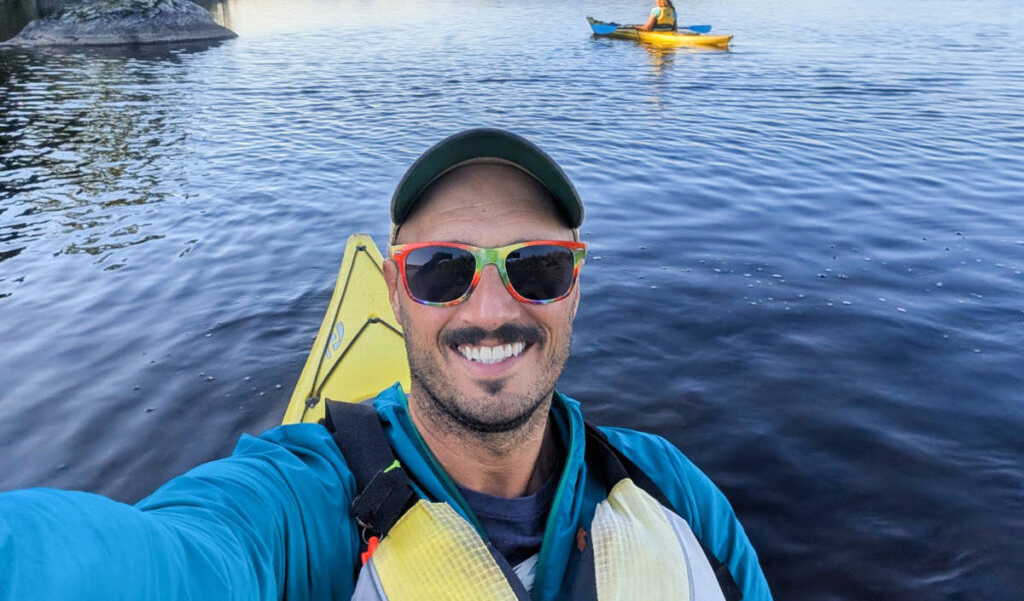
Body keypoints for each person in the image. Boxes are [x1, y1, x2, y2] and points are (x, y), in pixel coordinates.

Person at [0, 128, 772, 600]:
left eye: (537, 268)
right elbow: (171, 562)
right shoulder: (301, 506)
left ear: (575, 289)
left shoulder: (671, 487)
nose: (491, 310)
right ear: (393, 294)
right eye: (442, 270)